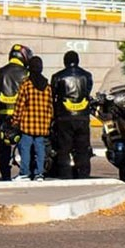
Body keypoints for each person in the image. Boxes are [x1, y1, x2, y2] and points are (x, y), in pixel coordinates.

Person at [0, 44, 31, 180]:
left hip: (3, 114)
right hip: (21, 116)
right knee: (25, 145)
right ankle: (25, 172)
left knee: (3, 147)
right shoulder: (26, 73)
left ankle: (5, 174)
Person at [50, 50, 94, 179]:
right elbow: (87, 91)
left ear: (65, 62)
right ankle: (83, 173)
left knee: (64, 148)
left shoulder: (58, 76)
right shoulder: (87, 76)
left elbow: (53, 95)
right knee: (83, 148)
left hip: (64, 116)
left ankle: (65, 174)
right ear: (77, 61)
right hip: (83, 116)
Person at [12, 57, 53, 181]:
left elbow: (19, 105)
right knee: (40, 149)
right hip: (42, 125)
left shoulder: (26, 85)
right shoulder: (47, 87)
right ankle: (39, 173)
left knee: (25, 148)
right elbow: (50, 106)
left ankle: (25, 172)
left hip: (27, 124)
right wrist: (48, 121)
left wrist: (15, 120)